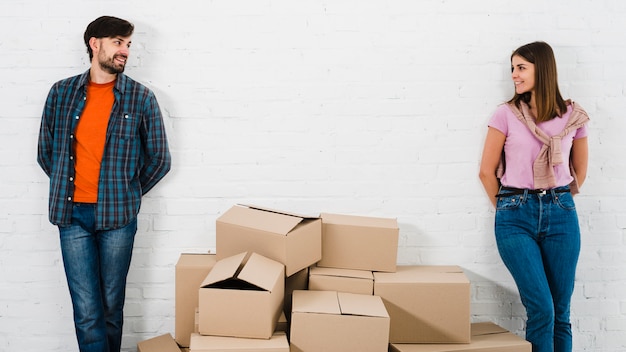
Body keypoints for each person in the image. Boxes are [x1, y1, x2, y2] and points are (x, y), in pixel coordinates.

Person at [37, 16, 171, 352]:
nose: (125, 50)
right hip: (72, 218)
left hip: (118, 220)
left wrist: (127, 191)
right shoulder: (61, 93)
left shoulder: (140, 98)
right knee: (86, 311)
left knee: (111, 308)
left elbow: (159, 159)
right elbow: (46, 153)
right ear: (95, 44)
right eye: (117, 42)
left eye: (128, 44)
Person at [478, 41, 589, 352]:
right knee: (542, 309)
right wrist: (508, 206)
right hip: (515, 215)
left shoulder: (572, 116)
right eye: (512, 68)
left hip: (561, 213)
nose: (514, 74)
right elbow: (487, 172)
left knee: (561, 314)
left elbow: (579, 170)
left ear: (543, 68)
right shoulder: (506, 114)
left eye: (521, 67)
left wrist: (557, 200)